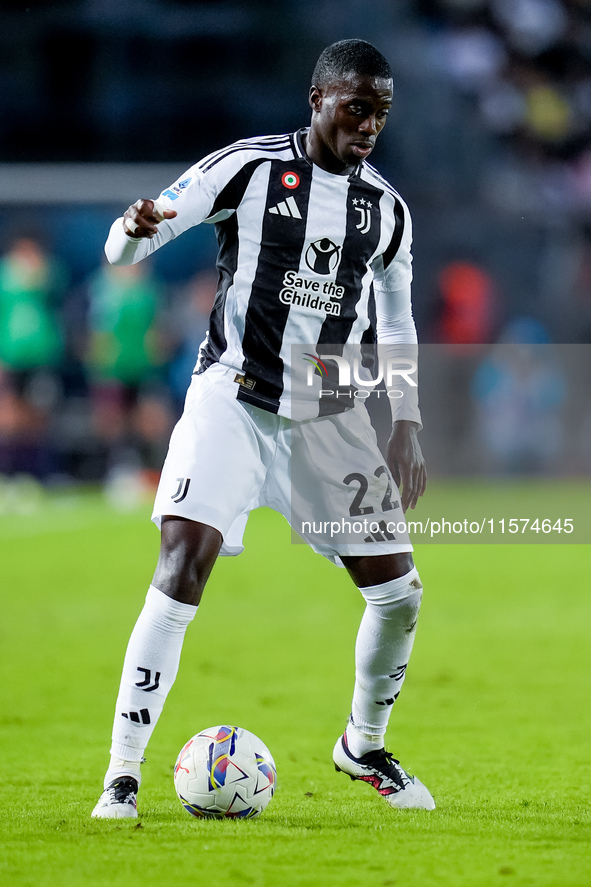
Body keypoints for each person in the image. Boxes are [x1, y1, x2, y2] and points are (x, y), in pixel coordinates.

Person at [91, 39, 435, 819]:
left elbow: (398, 318)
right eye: (356, 106)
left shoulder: (385, 209)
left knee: (400, 594)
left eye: (380, 112)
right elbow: (132, 242)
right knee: (182, 565)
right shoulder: (245, 169)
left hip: (329, 420)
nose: (369, 124)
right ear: (317, 98)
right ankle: (122, 772)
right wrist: (133, 227)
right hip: (233, 402)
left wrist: (407, 419)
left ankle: (363, 743)